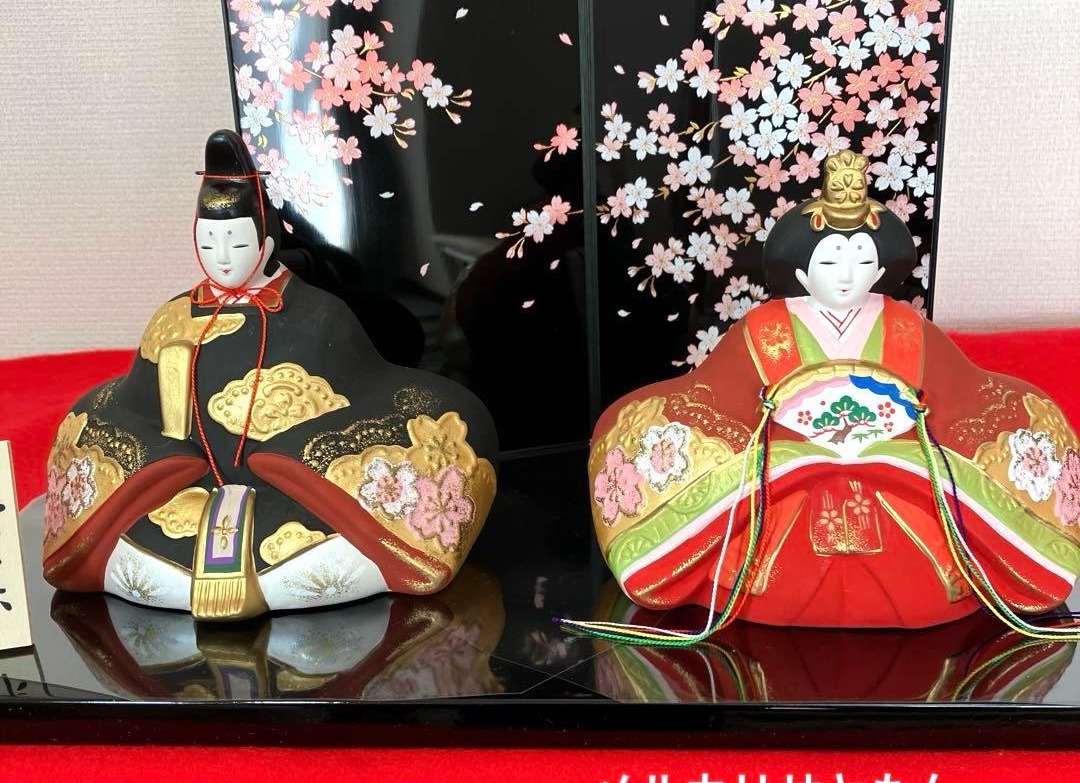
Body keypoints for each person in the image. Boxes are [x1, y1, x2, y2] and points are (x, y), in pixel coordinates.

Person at [585, 152, 1079, 631]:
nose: (846, 275)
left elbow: (964, 395)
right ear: (800, 271)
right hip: (783, 471)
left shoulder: (908, 328)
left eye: (862, 260)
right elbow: (715, 400)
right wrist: (792, 437)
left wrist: (903, 431)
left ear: (880, 270)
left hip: (900, 470)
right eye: (830, 260)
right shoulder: (763, 329)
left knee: (933, 525)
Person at [43, 130, 497, 620]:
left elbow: (363, 387)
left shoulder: (318, 313)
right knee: (87, 434)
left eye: (236, 242)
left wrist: (284, 454)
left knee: (448, 431)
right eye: (207, 242)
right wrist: (169, 455)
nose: (221, 257)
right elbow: (136, 403)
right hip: (184, 480)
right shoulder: (172, 317)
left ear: (266, 243)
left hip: (298, 486)